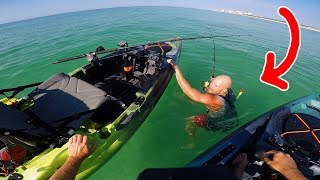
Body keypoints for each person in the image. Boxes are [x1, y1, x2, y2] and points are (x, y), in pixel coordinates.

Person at [167, 59, 238, 147]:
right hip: (230, 115)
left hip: (215, 123)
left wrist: (176, 68)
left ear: (224, 90)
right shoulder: (230, 93)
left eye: (215, 86)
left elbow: (188, 91)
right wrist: (214, 82)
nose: (210, 85)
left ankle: (192, 142)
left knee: (190, 121)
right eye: (212, 82)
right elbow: (219, 88)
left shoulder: (213, 100)